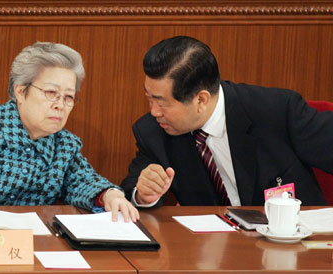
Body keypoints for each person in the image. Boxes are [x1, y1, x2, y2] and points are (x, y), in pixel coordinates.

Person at [0, 41, 138, 222]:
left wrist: (111, 195)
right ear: (20, 91)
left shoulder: (64, 145)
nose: (60, 105)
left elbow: (84, 181)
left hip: (29, 247)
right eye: (51, 93)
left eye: (68, 97)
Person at [120, 35, 333, 207]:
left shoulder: (277, 111)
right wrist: (143, 194)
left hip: (297, 244)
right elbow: (133, 188)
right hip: (215, 252)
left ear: (201, 100)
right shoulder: (153, 131)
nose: (154, 112)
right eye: (149, 98)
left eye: (162, 102)